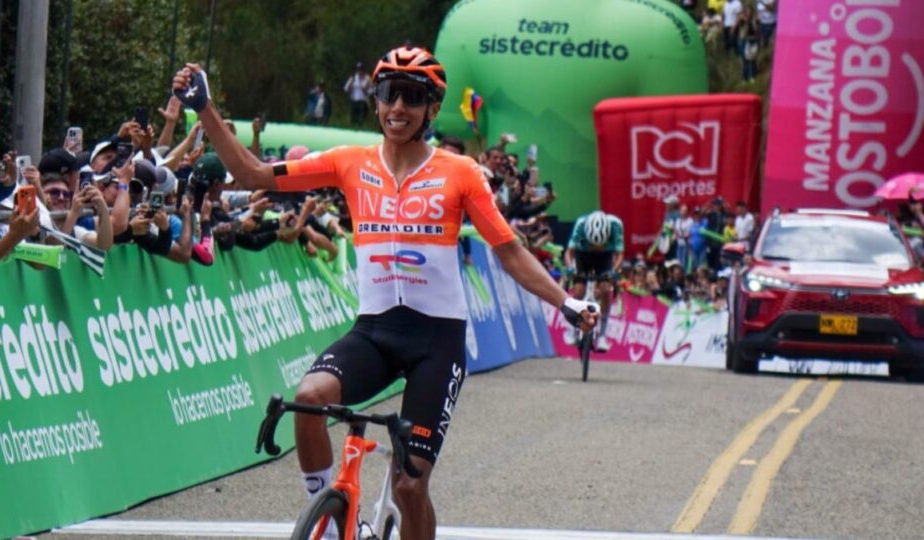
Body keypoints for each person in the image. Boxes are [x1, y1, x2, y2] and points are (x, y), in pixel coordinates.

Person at [172, 45, 598, 540]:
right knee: (308, 400)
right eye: (388, 94)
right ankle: (329, 523)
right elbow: (252, 174)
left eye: (411, 97)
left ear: (431, 108)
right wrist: (205, 108)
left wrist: (567, 302)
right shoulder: (349, 163)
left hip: (436, 342)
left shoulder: (460, 173)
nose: (398, 107)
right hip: (375, 332)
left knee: (409, 486)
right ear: (375, 100)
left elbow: (509, 251)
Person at [563, 209, 624, 350]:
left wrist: (614, 272)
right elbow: (568, 253)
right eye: (593, 244)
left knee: (606, 289)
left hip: (604, 257)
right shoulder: (581, 224)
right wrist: (570, 268)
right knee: (579, 290)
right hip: (583, 255)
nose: (596, 248)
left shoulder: (615, 225)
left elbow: (620, 255)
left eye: (599, 245)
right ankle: (572, 330)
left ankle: (602, 335)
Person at [344, 61, 373, 126]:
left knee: (361, 119)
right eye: (358, 69)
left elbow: (372, 90)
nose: (359, 71)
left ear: (364, 70)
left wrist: (366, 90)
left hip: (363, 102)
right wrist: (350, 86)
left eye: (361, 69)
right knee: (353, 119)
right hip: (354, 101)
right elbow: (346, 89)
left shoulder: (367, 78)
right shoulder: (353, 78)